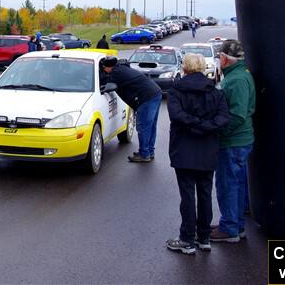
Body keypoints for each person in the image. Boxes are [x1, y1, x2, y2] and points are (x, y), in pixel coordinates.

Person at [165, 53, 229, 255]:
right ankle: (203, 237)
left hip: (183, 147)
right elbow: (223, 118)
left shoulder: (176, 90)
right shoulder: (216, 92)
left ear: (184, 68)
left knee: (187, 195)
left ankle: (187, 239)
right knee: (205, 193)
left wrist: (194, 125)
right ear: (202, 68)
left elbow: (176, 116)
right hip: (208, 147)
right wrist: (206, 127)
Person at [210, 39, 255, 243]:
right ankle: (235, 224)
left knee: (227, 184)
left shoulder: (235, 80)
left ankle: (230, 229)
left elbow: (237, 115)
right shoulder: (239, 75)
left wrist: (217, 131)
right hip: (240, 140)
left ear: (226, 59)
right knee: (236, 183)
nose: (218, 59)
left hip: (233, 142)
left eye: (220, 56)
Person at [99, 55, 162, 163]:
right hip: (154, 93)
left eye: (104, 68)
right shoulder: (121, 68)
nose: (104, 70)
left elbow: (105, 83)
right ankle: (148, 151)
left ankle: (144, 154)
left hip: (146, 97)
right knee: (151, 126)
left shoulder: (116, 74)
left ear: (108, 67)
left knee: (143, 126)